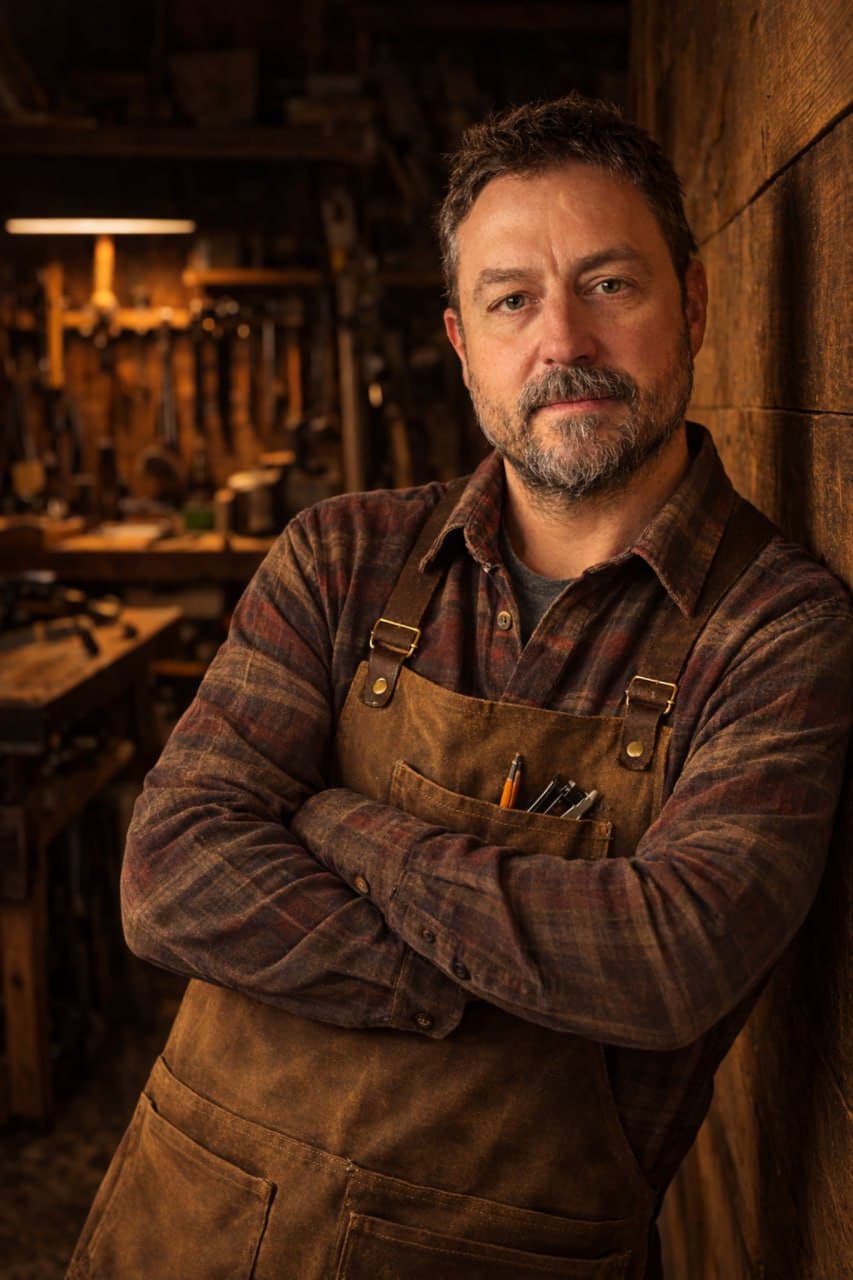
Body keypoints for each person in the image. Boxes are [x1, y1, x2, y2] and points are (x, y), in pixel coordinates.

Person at [69, 94, 851, 1280]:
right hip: (193, 1224)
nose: (564, 343)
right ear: (460, 340)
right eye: (512, 300)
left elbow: (668, 955)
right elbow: (170, 872)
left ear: (692, 302)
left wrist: (337, 824)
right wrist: (511, 992)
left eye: (609, 285)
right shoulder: (340, 558)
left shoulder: (773, 626)